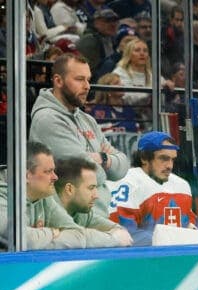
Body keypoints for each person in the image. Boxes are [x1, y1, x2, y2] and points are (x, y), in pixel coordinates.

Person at [29, 53, 129, 217]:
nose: (87, 86)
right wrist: (105, 161)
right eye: (79, 79)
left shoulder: (86, 119)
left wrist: (102, 158)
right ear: (58, 81)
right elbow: (86, 173)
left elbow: (122, 168)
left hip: (98, 215)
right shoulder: (48, 119)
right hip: (69, 220)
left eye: (88, 79)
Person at [106, 131, 198, 245]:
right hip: (139, 264)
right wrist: (185, 239)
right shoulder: (127, 182)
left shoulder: (181, 185)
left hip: (177, 260)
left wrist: (193, 235)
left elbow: (191, 228)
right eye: (163, 159)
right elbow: (124, 235)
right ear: (144, 158)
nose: (170, 166)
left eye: (172, 159)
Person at [54, 156, 133, 246]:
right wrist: (112, 239)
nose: (96, 195)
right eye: (91, 188)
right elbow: (73, 238)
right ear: (69, 189)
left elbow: (118, 230)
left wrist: (118, 232)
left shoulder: (80, 212)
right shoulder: (48, 211)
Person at [23, 141, 88, 249]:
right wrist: (52, 232)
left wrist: (40, 239)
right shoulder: (3, 196)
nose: (55, 177)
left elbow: (78, 237)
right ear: (27, 176)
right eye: (48, 172)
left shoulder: (44, 197)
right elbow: (23, 240)